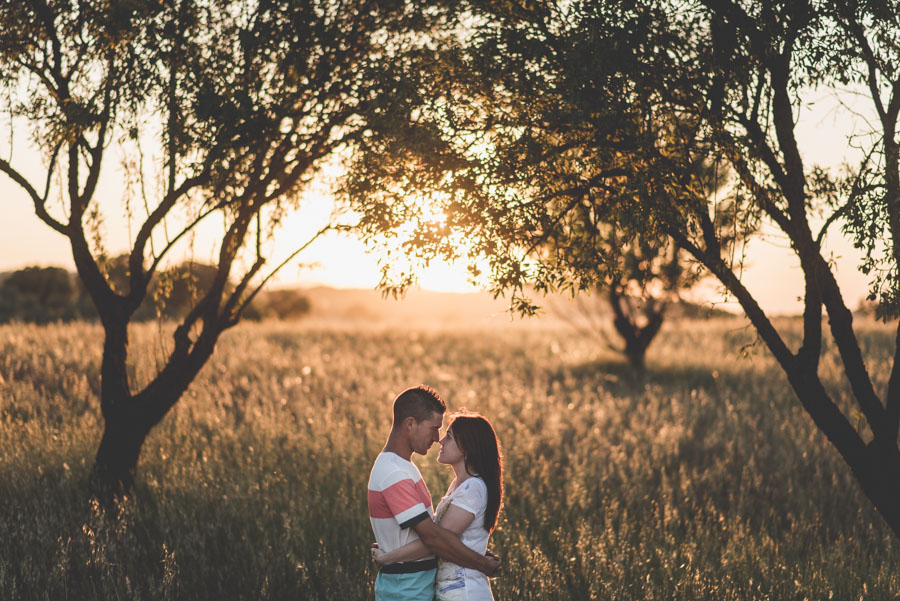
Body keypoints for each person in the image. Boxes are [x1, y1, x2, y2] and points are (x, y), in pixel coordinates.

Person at [368, 386, 501, 601]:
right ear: (410, 424)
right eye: (434, 428)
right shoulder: (395, 472)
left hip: (424, 589)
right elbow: (434, 537)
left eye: (446, 434)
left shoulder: (405, 469)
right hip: (406, 589)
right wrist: (482, 563)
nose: (438, 438)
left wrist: (388, 555)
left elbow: (438, 536)